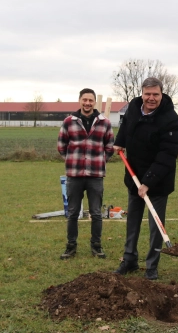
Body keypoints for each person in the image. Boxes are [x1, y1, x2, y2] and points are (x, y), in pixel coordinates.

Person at [112, 77, 178, 280]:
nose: (151, 98)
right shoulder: (134, 107)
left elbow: (167, 155)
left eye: (155, 94)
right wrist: (119, 142)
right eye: (147, 94)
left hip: (158, 181)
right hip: (134, 175)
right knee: (132, 221)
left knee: (155, 226)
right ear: (142, 94)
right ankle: (129, 259)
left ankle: (152, 266)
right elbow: (126, 127)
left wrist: (148, 182)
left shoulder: (170, 118)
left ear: (162, 94)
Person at [57, 88, 115, 260]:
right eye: (85, 100)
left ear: (94, 102)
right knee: (73, 212)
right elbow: (61, 146)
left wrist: (99, 161)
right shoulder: (69, 121)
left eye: (91, 100)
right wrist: (72, 161)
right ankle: (70, 247)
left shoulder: (104, 123)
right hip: (74, 176)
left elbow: (110, 147)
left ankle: (96, 246)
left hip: (95, 176)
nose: (88, 103)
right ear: (80, 101)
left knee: (96, 213)